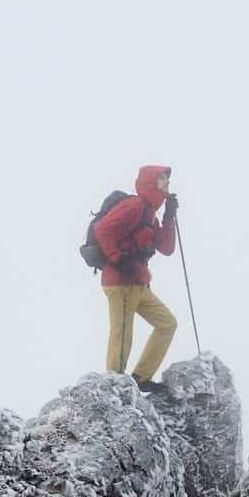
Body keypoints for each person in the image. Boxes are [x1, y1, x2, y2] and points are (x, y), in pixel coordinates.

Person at [94, 165, 179, 392]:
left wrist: (169, 216)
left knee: (167, 324)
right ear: (151, 181)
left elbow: (167, 248)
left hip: (139, 283)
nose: (167, 183)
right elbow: (103, 229)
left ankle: (141, 377)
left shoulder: (150, 214)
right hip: (120, 282)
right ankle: (114, 387)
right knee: (122, 336)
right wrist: (118, 259)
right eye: (162, 178)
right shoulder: (134, 206)